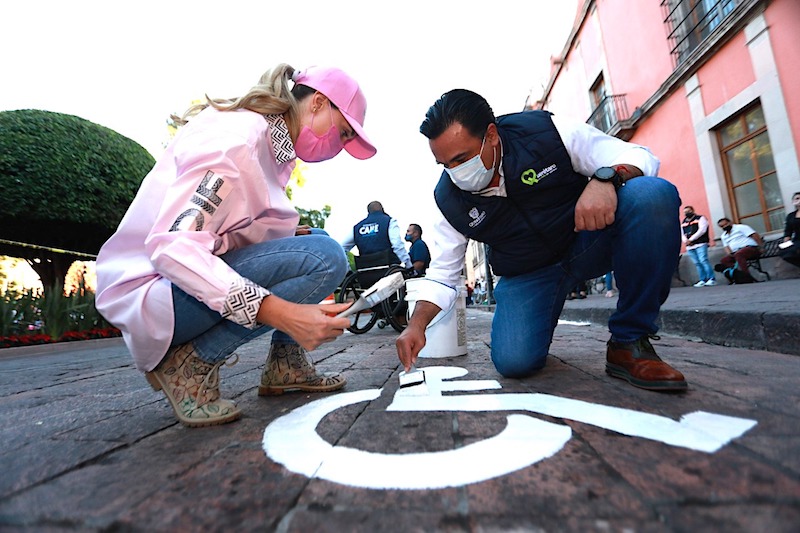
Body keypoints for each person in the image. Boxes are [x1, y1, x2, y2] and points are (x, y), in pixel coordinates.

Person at [95, 64, 376, 428]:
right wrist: (281, 313)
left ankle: (285, 366)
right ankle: (191, 362)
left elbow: (227, 229)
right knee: (324, 258)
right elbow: (173, 247)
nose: (339, 147)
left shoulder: (270, 146)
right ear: (319, 102)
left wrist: (286, 234)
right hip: (153, 296)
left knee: (319, 243)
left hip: (170, 290)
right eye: (342, 133)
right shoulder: (237, 142)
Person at [396, 89, 687, 392]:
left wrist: (606, 180)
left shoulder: (547, 133)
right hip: (528, 272)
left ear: (492, 135)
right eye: (445, 165)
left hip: (586, 240)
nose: (456, 173)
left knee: (651, 195)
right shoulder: (449, 199)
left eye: (462, 158)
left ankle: (629, 340)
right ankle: (537, 318)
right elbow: (443, 277)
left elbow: (639, 155)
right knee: (514, 362)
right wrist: (416, 325)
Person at [340, 201, 412, 270]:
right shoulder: (389, 221)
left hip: (365, 271)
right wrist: (409, 265)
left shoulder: (357, 227)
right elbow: (397, 245)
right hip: (388, 269)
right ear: (382, 209)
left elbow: (341, 248)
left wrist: (348, 268)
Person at [714, 217, 763, 284]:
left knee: (739, 254)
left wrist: (761, 247)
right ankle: (736, 276)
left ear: (730, 222)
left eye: (725, 224)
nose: (724, 227)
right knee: (724, 260)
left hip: (750, 249)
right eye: (722, 226)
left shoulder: (741, 227)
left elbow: (755, 235)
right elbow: (726, 247)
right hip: (736, 253)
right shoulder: (723, 236)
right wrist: (730, 254)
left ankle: (747, 277)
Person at [681, 205, 716, 287]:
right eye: (685, 212)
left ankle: (711, 279)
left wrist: (691, 239)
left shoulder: (700, 218)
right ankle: (702, 280)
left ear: (692, 210)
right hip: (689, 246)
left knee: (703, 260)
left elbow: (702, 230)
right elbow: (682, 233)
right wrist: (686, 241)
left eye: (688, 211)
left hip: (700, 243)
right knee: (697, 263)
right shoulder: (684, 222)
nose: (687, 213)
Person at [779, 192, 800, 268]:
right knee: (784, 251)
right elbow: (788, 231)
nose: (799, 200)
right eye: (797, 198)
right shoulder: (791, 216)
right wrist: (786, 240)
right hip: (797, 239)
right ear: (793, 202)